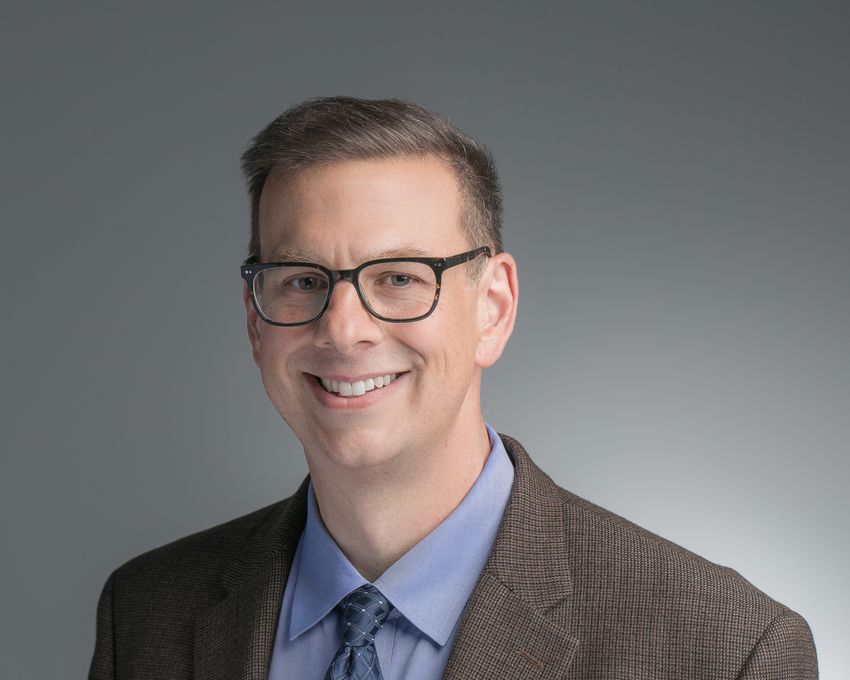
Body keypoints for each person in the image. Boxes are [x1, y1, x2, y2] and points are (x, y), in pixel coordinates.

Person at [89, 97, 818, 680]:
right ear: (256, 321)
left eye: (400, 278)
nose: (344, 330)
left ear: (493, 308)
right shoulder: (148, 614)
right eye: (303, 280)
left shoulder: (725, 653)